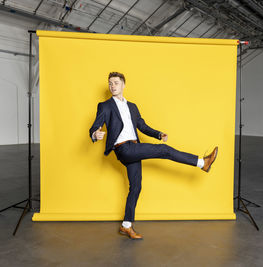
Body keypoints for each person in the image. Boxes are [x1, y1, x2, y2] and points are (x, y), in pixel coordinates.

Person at [89, 72, 218, 240]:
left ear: (123, 85)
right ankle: (202, 163)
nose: (112, 86)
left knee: (136, 187)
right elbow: (95, 126)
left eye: (115, 83)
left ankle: (126, 226)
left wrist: (158, 134)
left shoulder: (132, 106)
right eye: (110, 83)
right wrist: (95, 135)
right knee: (164, 151)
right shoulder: (105, 106)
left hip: (134, 148)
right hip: (123, 149)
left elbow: (142, 126)